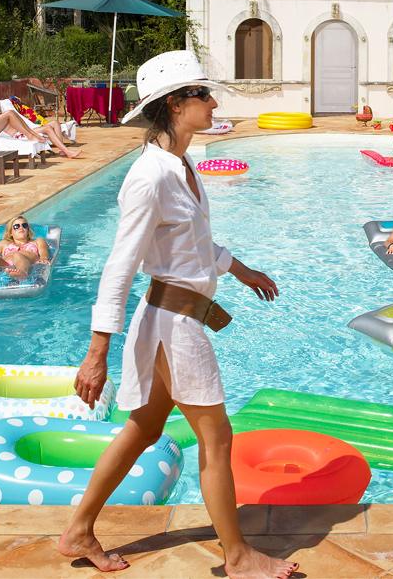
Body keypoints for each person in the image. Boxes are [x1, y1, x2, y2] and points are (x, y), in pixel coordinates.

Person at [56, 50, 297, 578]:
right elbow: (120, 266)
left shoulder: (180, 164)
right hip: (173, 325)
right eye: (201, 94)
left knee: (142, 429)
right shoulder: (150, 177)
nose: (212, 102)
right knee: (218, 438)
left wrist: (240, 269)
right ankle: (237, 558)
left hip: (172, 319)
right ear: (173, 104)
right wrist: (97, 352)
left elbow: (191, 245)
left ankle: (78, 530)